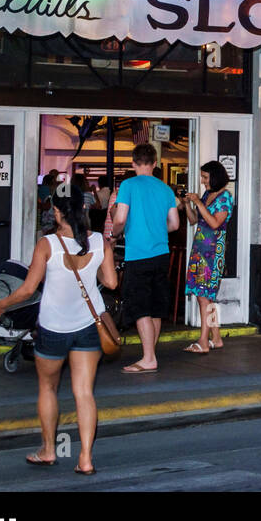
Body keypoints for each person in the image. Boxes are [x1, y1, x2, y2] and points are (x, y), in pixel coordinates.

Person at [0, 184, 117, 475]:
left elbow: (27, 291)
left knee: (48, 388)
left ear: (57, 213)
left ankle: (48, 450)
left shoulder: (47, 244)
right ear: (84, 209)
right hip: (87, 324)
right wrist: (92, 264)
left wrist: (0, 305)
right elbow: (111, 283)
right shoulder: (100, 242)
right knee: (84, 392)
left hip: (53, 327)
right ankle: (85, 458)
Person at [110, 143, 179, 373]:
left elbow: (120, 219)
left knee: (140, 307)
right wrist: (156, 230)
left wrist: (115, 233)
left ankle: (149, 358)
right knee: (156, 307)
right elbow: (175, 224)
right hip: (161, 254)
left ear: (133, 162)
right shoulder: (165, 189)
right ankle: (150, 354)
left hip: (138, 254)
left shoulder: (128, 185)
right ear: (155, 163)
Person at [183, 160, 234, 354]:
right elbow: (194, 220)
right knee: (205, 298)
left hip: (213, 254)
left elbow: (214, 223)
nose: (203, 181)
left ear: (215, 176)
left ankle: (204, 341)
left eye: (205, 177)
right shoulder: (207, 195)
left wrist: (197, 202)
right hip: (200, 251)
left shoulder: (225, 198)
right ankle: (217, 338)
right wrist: (189, 205)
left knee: (204, 297)